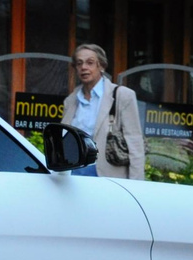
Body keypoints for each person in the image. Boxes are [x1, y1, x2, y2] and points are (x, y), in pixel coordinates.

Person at [60, 44, 145, 180]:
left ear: (102, 66)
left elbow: (134, 142)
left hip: (107, 176)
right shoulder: (71, 101)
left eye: (90, 62)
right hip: (73, 173)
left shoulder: (122, 96)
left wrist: (136, 184)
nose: (84, 67)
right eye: (79, 63)